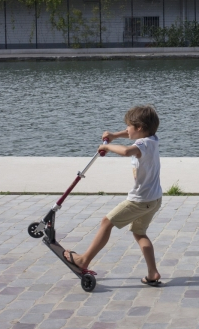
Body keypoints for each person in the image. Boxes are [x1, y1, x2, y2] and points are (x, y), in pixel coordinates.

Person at [64, 105, 163, 286]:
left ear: (139, 128)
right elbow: (131, 136)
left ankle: (83, 260)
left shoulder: (141, 145)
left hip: (140, 200)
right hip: (154, 199)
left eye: (128, 127)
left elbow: (126, 151)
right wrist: (115, 135)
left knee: (106, 222)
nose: (126, 130)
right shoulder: (152, 139)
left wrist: (107, 147)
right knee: (139, 233)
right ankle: (153, 272)